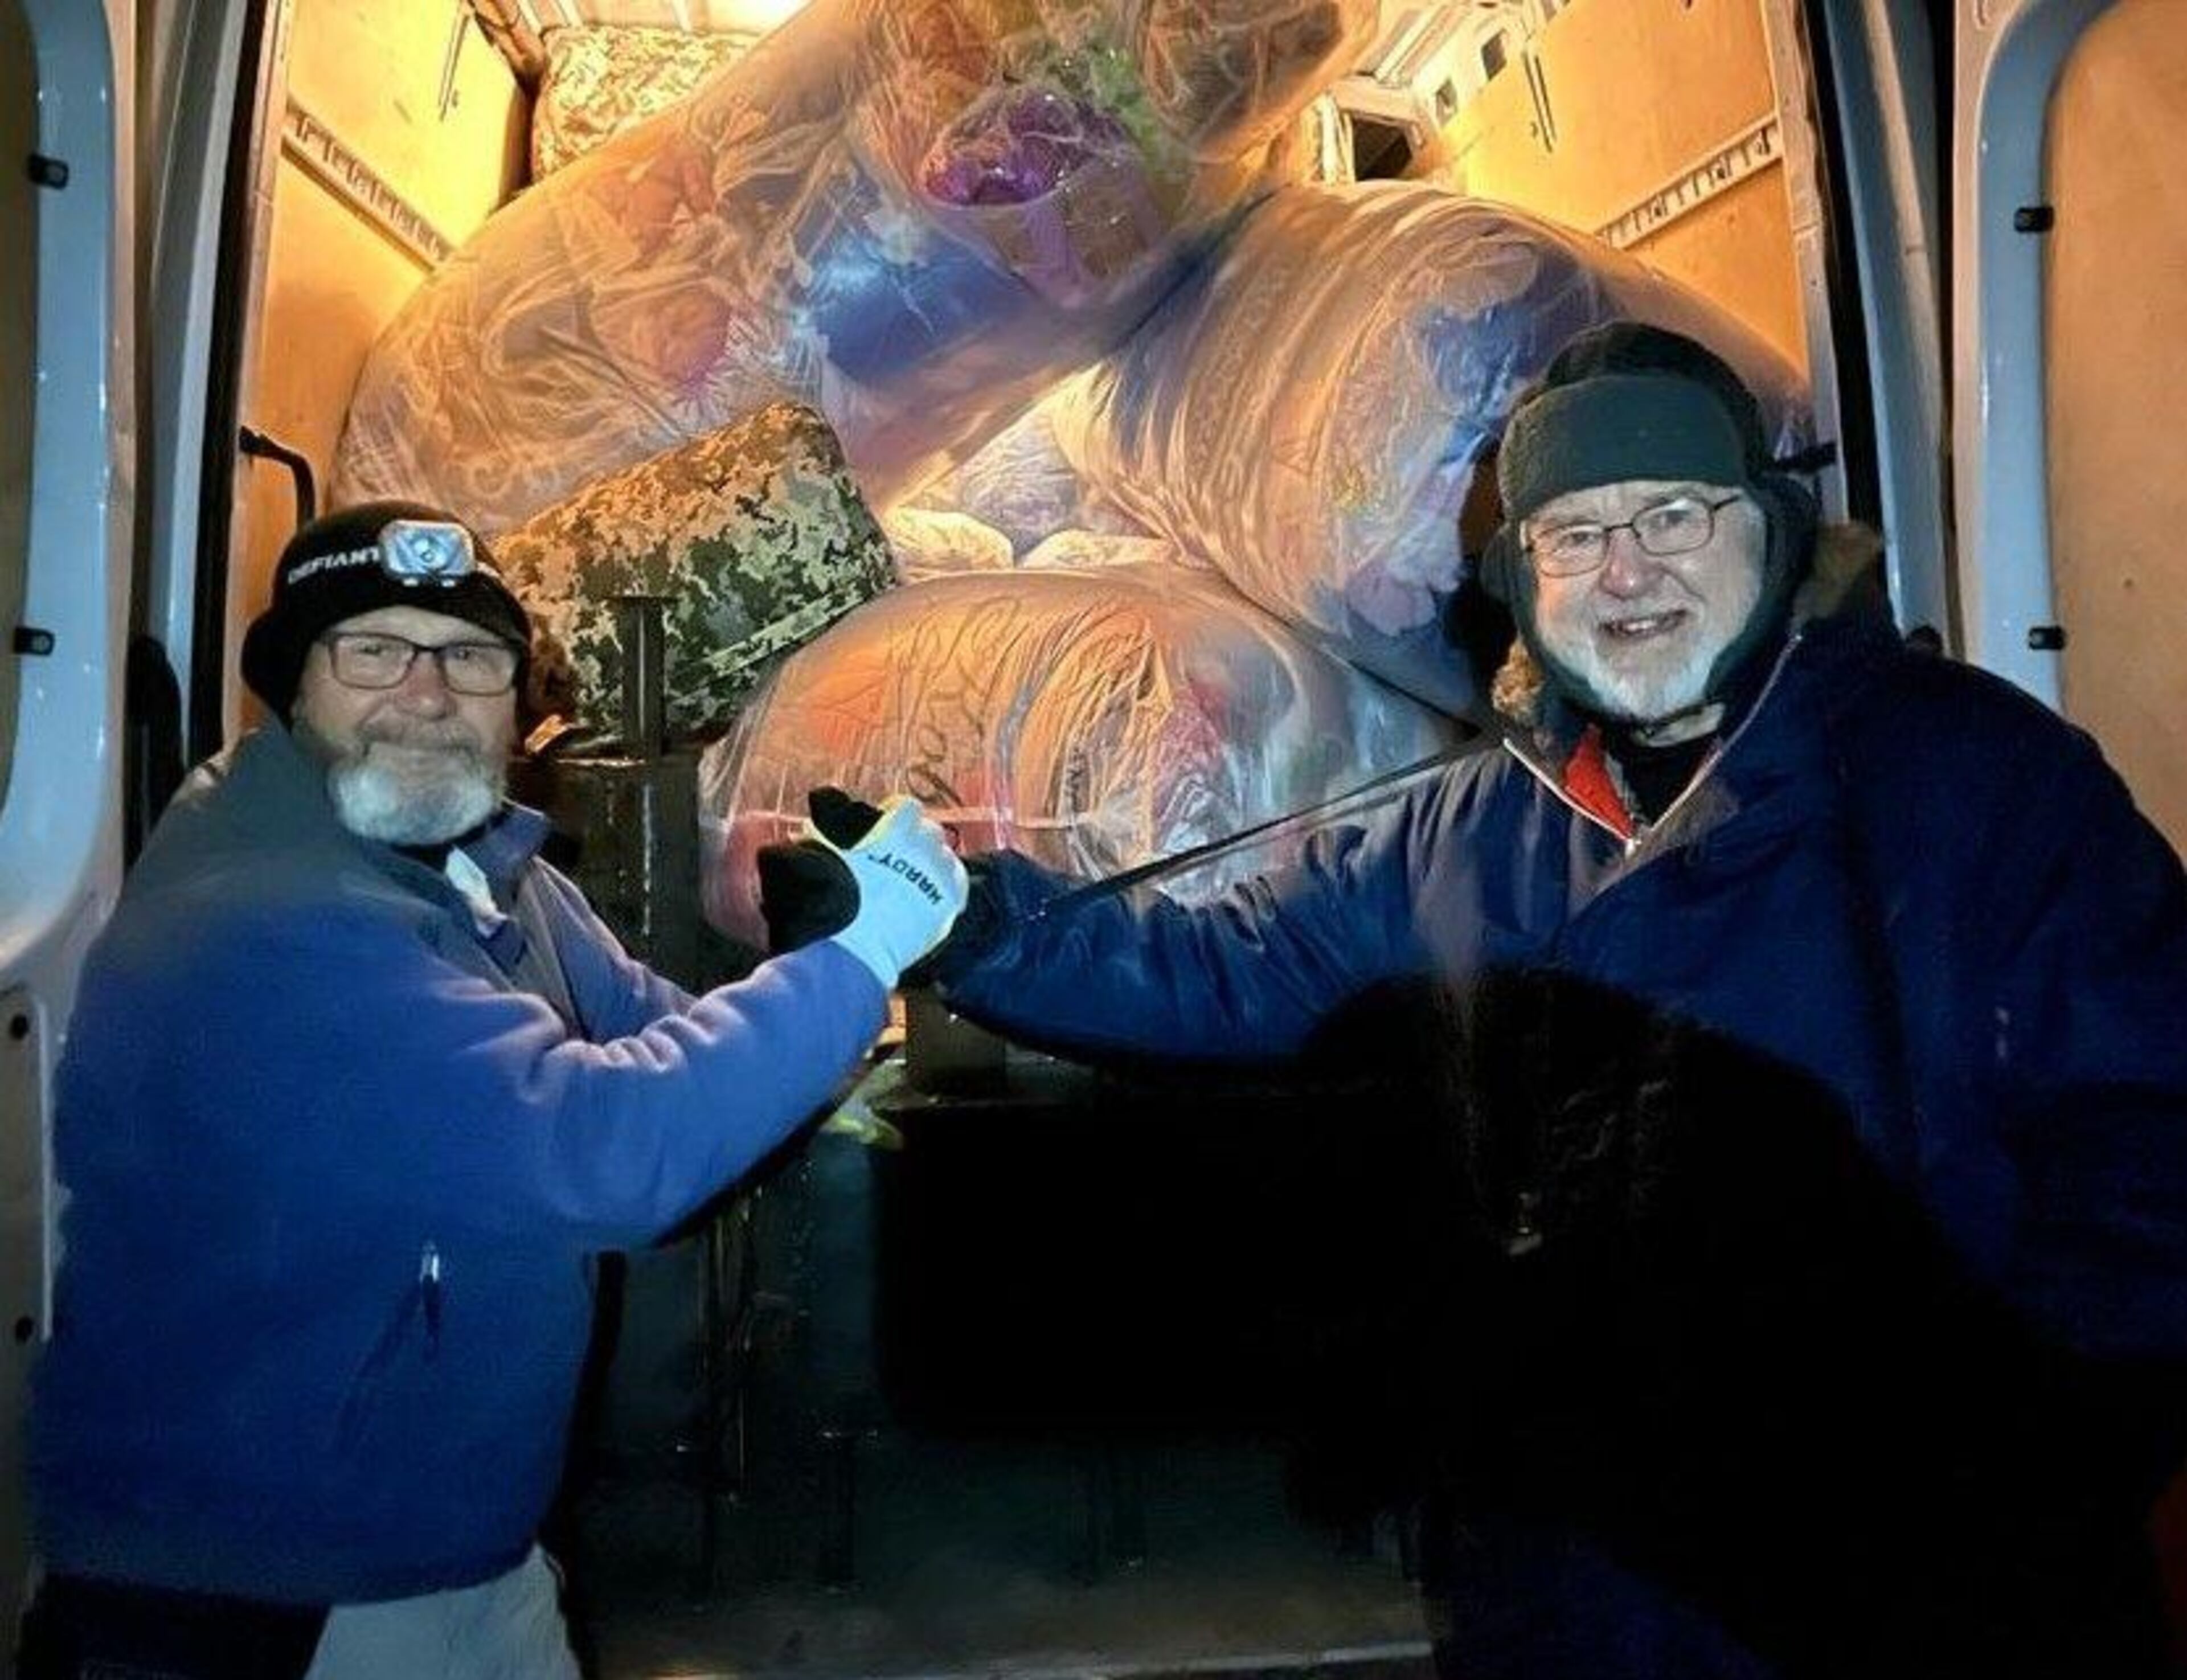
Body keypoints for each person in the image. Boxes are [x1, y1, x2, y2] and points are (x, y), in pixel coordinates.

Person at [765, 323, 2187, 1677]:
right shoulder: (1463, 828)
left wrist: (2022, 1473)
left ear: (1774, 529)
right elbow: (1224, 958)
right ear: (1522, 580)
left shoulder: (1978, 783)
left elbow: (2151, 1149)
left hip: (1907, 1581)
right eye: (1575, 534)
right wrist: (947, 920)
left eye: (1675, 515)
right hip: (1573, 1583)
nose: (1628, 571)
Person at [21, 501, 966, 1679]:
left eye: (471, 658)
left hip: (458, 1549)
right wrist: (855, 961)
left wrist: (816, 967)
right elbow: (603, 1150)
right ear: (291, 688)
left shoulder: (483, 868)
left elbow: (646, 1031)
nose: (427, 693)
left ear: (520, 703)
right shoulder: (266, 918)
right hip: (273, 1590)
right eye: (373, 650)